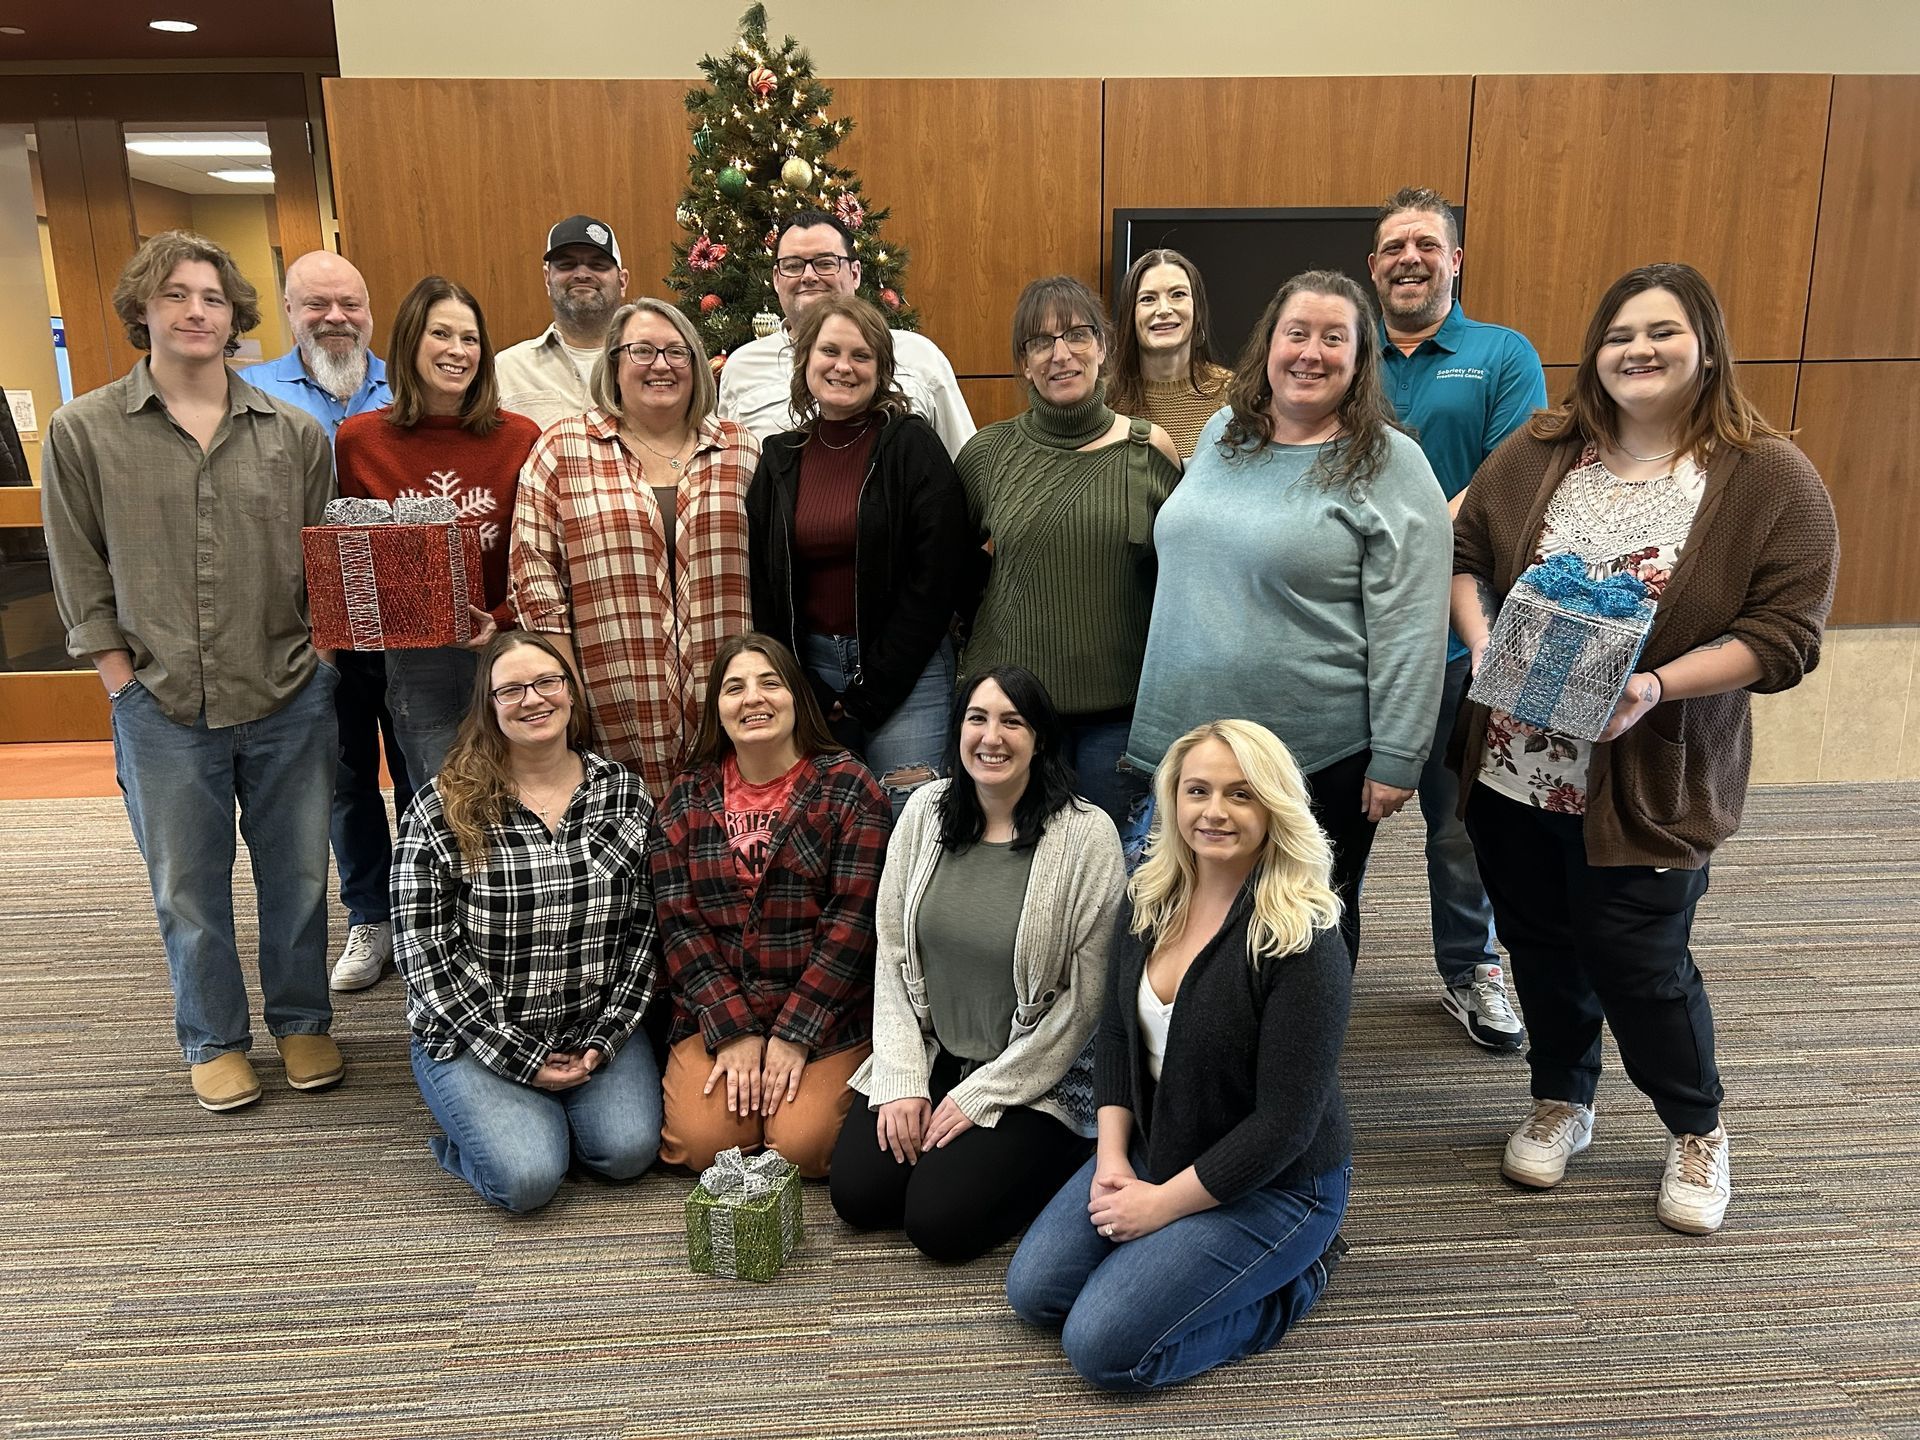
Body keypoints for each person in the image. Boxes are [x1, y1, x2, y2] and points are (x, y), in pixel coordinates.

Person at [1451, 262, 1838, 1236]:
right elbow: (1464, 555)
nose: (1639, 350)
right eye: (1621, 334)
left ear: (1705, 344)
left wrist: (1658, 685)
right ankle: (1562, 1097)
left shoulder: (1763, 475)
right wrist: (1481, 641)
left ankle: (1696, 1127)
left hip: (1648, 774)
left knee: (1639, 959)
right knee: (1539, 943)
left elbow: (1786, 634)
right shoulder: (1545, 449)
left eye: (1662, 331)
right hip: (1512, 766)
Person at [41, 230, 344, 1112]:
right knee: (187, 883)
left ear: (236, 316)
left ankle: (301, 1020)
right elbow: (77, 566)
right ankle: (213, 1036)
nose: (195, 312)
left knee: (297, 872)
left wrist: (321, 657)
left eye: (211, 297)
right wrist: (116, 677)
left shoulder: (291, 433)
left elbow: (322, 562)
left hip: (287, 688)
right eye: (175, 295)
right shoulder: (84, 431)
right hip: (159, 698)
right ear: (144, 309)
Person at [1006, 719, 1352, 1391]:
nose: (1214, 812)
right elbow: (1113, 1036)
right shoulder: (1148, 895)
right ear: (1173, 799)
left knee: (1102, 1348)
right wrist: (1111, 1161)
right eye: (1197, 791)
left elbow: (1284, 1127)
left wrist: (1161, 1207)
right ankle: (1178, 1264)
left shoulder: (1304, 937)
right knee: (1036, 1294)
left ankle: (1295, 1283)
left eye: (1239, 794)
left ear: (1273, 806)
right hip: (1164, 1138)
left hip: (1278, 1184)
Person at [1127, 270, 1451, 963]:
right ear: (1268, 346)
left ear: (1361, 359)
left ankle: (1295, 1067)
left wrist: (1399, 753)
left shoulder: (1392, 464)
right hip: (1192, 741)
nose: (1311, 352)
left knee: (1301, 931)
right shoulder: (1224, 432)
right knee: (1193, 916)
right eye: (1295, 333)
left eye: (1335, 338)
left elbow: (1413, 622)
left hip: (1314, 752)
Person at [830, 666, 1126, 1262]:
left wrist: (984, 1093)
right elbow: (890, 956)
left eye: (1012, 722)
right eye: (977, 718)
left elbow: (1085, 1003)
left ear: (1040, 737)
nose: (992, 738)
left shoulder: (1088, 837)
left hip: (1033, 1069)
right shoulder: (923, 812)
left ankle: (1063, 1151)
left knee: (938, 1224)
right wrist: (902, 1078)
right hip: (937, 1046)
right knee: (859, 1196)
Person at [392, 630, 662, 1213]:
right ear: (489, 707)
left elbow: (644, 931)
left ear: (570, 694)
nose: (533, 699)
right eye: (510, 690)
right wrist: (520, 1060)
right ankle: (490, 1132)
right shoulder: (443, 806)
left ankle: (546, 1124)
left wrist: (607, 1037)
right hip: (475, 1032)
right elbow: (424, 953)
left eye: (546, 682)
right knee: (528, 1180)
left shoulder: (624, 795)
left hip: (592, 1024)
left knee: (628, 1153)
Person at [1367, 186, 1548, 1049]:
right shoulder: (1343, 348)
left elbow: (1513, 474)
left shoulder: (1500, 354)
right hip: (1346, 642)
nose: (1409, 257)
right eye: (1394, 245)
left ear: (1454, 260)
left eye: (1425, 244)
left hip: (1454, 640)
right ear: (1374, 267)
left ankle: (1471, 972)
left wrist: (1413, 536)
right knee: (1326, 822)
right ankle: (1307, 977)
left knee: (1458, 826)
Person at [650, 633, 891, 1178]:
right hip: (717, 1013)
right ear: (717, 709)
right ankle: (744, 1088)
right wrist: (733, 1031)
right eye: (734, 688)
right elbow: (680, 928)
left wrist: (793, 1034)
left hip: (824, 1014)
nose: (752, 699)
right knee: (700, 1144)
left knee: (803, 1148)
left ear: (797, 697)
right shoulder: (686, 798)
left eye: (770, 683)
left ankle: (784, 1099)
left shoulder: (850, 788)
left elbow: (852, 927)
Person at [241, 250, 410, 994]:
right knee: (343, 782)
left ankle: (423, 909)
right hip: (315, 632)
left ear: (370, 310)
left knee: (423, 775)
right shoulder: (251, 394)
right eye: (317, 305)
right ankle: (369, 916)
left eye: (349, 303)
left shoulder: (404, 387)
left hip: (409, 624)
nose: (335, 318)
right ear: (289, 311)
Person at [957, 275, 1183, 829]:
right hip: (1013, 720)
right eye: (1041, 342)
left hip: (1120, 719)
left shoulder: (1149, 448)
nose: (1061, 354)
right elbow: (947, 574)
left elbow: (1178, 585)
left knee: (1109, 877)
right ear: (1024, 363)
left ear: (1103, 348)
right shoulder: (988, 455)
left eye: (1078, 335)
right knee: (1017, 866)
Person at [511, 299, 759, 799]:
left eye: (677, 352)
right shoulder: (563, 449)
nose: (661, 365)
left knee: (725, 844)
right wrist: (569, 695)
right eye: (642, 351)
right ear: (615, 363)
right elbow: (534, 579)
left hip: (729, 700)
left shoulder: (743, 450)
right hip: (612, 699)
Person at [746, 294, 971, 814]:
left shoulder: (910, 445)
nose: (843, 367)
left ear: (881, 370)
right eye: (830, 351)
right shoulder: (780, 458)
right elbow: (765, 583)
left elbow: (937, 574)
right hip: (810, 674)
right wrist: (804, 689)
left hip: (908, 671)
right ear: (806, 361)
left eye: (861, 355)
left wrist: (874, 688)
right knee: (826, 828)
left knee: (907, 824)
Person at [337, 275, 537, 799]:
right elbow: (358, 563)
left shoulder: (521, 438)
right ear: (409, 342)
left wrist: (499, 621)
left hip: (509, 641)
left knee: (525, 793)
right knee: (442, 804)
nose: (457, 351)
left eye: (470, 339)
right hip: (420, 656)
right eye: (440, 334)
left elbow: (539, 553)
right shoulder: (360, 442)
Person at [716, 209, 975, 457]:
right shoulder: (741, 367)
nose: (808, 276)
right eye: (793, 265)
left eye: (825, 263)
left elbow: (967, 466)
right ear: (776, 278)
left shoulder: (920, 356)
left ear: (855, 273)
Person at [494, 215, 630, 430]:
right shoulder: (507, 369)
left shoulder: (651, 364)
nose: (582, 274)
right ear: (547, 278)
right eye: (567, 264)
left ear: (622, 281)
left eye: (597, 264)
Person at [1106, 248, 1232, 461]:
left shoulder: (1235, 395)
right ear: (1130, 315)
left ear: (1197, 309)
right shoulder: (1104, 398)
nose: (1164, 309)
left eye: (1178, 295)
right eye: (1148, 299)